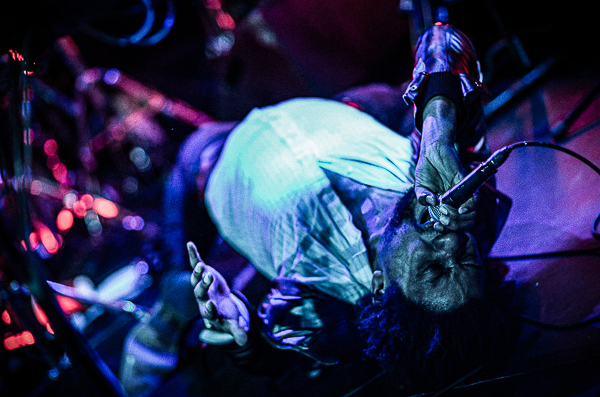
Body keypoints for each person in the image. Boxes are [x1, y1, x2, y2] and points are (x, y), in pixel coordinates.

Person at [185, 22, 517, 394]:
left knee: (177, 283)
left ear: (380, 286)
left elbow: (270, 356)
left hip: (210, 157)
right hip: (347, 108)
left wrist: (241, 337)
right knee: (396, 97)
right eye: (467, 258)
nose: (450, 242)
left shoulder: (317, 311)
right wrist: (438, 135)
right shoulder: (464, 197)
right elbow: (442, 39)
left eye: (433, 267)